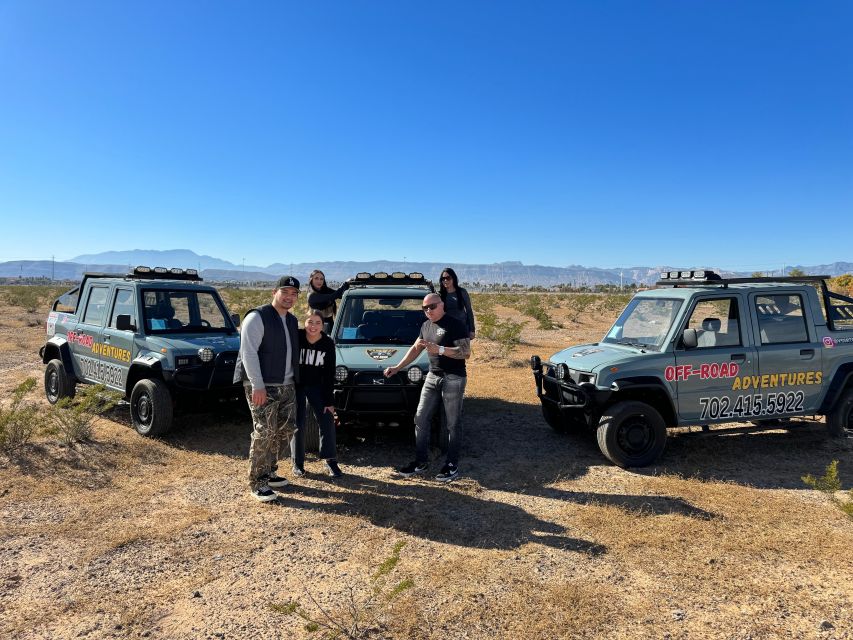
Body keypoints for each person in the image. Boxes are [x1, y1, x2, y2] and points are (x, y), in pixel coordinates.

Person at [384, 292, 470, 482]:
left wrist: (439, 349)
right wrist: (397, 367)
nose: (428, 310)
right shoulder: (425, 326)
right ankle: (421, 461)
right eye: (425, 308)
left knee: (452, 424)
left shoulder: (455, 324)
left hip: (454, 378)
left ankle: (451, 465)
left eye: (432, 306)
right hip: (433, 375)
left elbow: (465, 352)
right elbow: (416, 348)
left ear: (442, 305)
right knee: (421, 418)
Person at [234, 275, 301, 502]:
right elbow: (248, 353)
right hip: (262, 385)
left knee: (287, 429)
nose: (289, 297)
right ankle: (258, 482)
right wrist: (257, 384)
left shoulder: (291, 320)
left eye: (294, 294)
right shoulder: (257, 317)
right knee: (265, 431)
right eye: (285, 292)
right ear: (274, 292)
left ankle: (270, 471)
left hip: (287, 385)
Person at [291, 310, 343, 478]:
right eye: (310, 322)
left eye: (317, 323)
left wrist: (329, 400)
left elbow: (329, 373)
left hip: (318, 387)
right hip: (297, 386)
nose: (313, 326)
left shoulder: (327, 343)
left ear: (323, 325)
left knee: (326, 419)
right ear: (304, 323)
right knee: (298, 423)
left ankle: (330, 461)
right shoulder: (296, 337)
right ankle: (297, 463)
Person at [307, 269, 349, 335]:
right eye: (316, 278)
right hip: (315, 328)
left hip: (330, 324)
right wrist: (345, 283)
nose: (319, 281)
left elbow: (340, 295)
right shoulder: (312, 295)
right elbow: (334, 296)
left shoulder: (326, 290)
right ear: (311, 279)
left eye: (321, 279)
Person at [438, 267, 475, 339]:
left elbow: (469, 311)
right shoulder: (440, 295)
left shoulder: (462, 292)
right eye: (443, 279)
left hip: (462, 330)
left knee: (462, 350)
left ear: (453, 278)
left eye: (448, 278)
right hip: (446, 331)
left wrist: (472, 330)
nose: (445, 280)